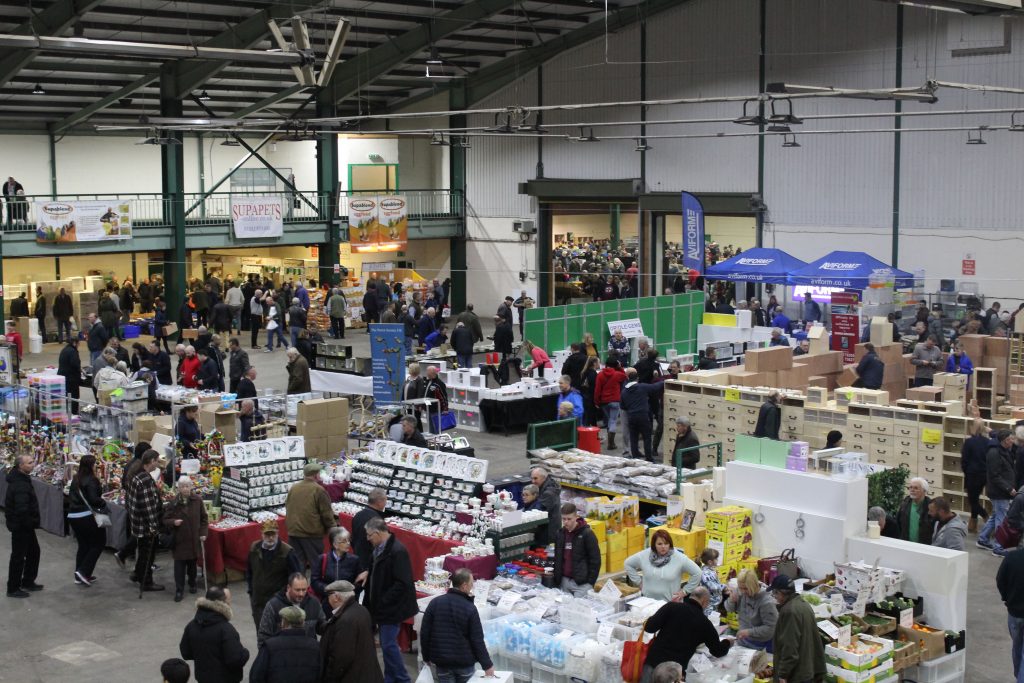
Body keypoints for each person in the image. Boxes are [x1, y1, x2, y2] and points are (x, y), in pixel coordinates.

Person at [363, 517, 418, 683]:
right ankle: (390, 678)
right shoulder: (380, 548)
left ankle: (402, 679)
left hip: (392, 608)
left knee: (388, 645)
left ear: (378, 533)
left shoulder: (397, 551)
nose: (367, 538)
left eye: (369, 535)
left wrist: (382, 600)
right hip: (382, 606)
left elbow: (403, 583)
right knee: (387, 645)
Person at [640, 587, 731, 683]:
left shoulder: (671, 607)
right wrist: (727, 642)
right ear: (704, 601)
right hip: (674, 672)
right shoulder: (704, 623)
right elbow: (717, 651)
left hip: (653, 663)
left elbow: (649, 627)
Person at [420, 568, 494, 683]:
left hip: (442, 662)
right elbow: (477, 640)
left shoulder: (435, 603)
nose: (472, 586)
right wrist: (487, 665)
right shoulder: (469, 608)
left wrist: (426, 657)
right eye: (471, 583)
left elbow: (425, 633)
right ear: (464, 586)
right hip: (464, 663)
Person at [179, 586, 250, 683]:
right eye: (228, 601)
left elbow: (185, 652)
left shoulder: (191, 626)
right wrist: (245, 653)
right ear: (223, 604)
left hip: (202, 678)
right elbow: (235, 660)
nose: (230, 604)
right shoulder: (226, 630)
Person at [319, 580, 384, 683]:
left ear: (336, 597)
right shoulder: (361, 610)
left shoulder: (345, 620)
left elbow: (341, 658)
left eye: (329, 595)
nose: (328, 599)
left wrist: (328, 678)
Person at [246, 519, 302, 628]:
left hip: (278, 601)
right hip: (258, 601)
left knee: (277, 630)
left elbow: (296, 577)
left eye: (273, 534)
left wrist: (286, 597)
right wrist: (251, 591)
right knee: (261, 630)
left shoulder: (287, 552)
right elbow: (249, 571)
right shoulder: (254, 548)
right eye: (267, 534)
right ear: (262, 534)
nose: (270, 538)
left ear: (278, 533)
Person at [770, 574, 826, 683]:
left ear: (781, 593)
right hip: (809, 668)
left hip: (798, 674)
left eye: (774, 593)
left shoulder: (789, 612)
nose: (774, 597)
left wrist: (783, 674)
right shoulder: (804, 604)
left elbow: (790, 647)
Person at [285, 462, 337, 572]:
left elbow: (288, 506)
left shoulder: (294, 487)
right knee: (317, 565)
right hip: (310, 533)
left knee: (298, 566)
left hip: (293, 532)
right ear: (316, 475)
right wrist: (332, 527)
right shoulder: (318, 490)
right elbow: (326, 513)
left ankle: (298, 588)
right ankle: (316, 588)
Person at [163, 476, 209, 602]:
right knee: (179, 567)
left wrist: (203, 533)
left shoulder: (198, 500)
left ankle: (192, 582)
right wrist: (174, 522)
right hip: (179, 540)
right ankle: (179, 589)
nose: (185, 489)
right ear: (178, 488)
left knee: (192, 565)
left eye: (187, 486)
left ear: (191, 487)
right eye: (182, 486)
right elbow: (165, 520)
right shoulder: (173, 503)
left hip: (193, 539)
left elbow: (204, 519)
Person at [623, 528, 701, 601]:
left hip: (670, 604)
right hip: (648, 602)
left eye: (666, 543)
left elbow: (697, 573)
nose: (663, 547)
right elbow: (628, 563)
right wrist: (639, 582)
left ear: (670, 544)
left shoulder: (679, 558)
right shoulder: (645, 555)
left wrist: (685, 591)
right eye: (659, 544)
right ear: (654, 545)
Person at [66, 455, 109, 587]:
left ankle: (79, 574)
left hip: (73, 516)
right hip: (87, 516)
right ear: (91, 465)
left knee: (83, 545)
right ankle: (84, 572)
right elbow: (94, 499)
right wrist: (104, 502)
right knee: (98, 543)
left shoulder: (76, 479)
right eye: (96, 463)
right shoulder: (92, 480)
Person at [125, 450, 164, 591]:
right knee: (148, 554)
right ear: (152, 461)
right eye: (157, 461)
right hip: (145, 525)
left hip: (137, 522)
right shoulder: (145, 480)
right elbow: (148, 506)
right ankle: (146, 581)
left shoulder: (135, 474)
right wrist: (154, 525)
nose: (158, 464)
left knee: (142, 552)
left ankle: (137, 574)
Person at [251, 605, 320, 683]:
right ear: (303, 623)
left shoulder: (270, 646)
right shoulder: (316, 646)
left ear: (284, 622)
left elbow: (256, 676)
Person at [5, 454, 42, 598]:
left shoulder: (21, 479)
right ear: (21, 466)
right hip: (21, 526)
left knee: (33, 552)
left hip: (24, 525)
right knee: (18, 556)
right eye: (29, 463)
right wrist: (29, 523)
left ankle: (27, 581)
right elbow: (22, 509)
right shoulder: (20, 484)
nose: (33, 464)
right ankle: (13, 588)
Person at [257, 572, 325, 647]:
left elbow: (321, 627)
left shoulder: (314, 603)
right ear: (288, 588)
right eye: (297, 590)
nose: (301, 594)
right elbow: (264, 635)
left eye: (304, 590)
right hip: (282, 654)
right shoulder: (273, 605)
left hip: (307, 654)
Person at [980, 429, 1018, 555]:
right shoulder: (994, 453)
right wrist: (1009, 488)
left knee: (996, 515)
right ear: (1003, 441)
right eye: (1009, 440)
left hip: (1001, 491)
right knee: (1001, 520)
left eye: (1012, 439)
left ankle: (983, 539)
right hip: (999, 491)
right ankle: (998, 547)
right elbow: (995, 476)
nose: (1012, 442)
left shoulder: (1003, 449)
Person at [552, 502, 602, 597]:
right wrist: (558, 578)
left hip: (582, 584)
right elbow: (557, 557)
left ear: (576, 517)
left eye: (569, 519)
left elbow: (595, 560)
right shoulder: (560, 534)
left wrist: (590, 583)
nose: (566, 522)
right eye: (564, 519)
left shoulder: (587, 534)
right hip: (564, 581)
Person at [723, 569, 778, 650]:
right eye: (740, 588)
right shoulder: (741, 591)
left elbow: (770, 628)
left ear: (754, 585)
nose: (742, 591)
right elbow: (729, 609)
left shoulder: (766, 602)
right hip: (743, 640)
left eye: (745, 588)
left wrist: (749, 632)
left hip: (759, 644)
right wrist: (731, 600)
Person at [311, 527, 361, 613]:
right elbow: (314, 581)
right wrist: (330, 590)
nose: (348, 543)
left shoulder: (354, 560)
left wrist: (347, 592)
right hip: (328, 603)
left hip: (348, 603)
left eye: (348, 540)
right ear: (335, 544)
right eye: (344, 541)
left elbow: (359, 582)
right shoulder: (322, 559)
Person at [620, 367, 664, 461]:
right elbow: (655, 387)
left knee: (633, 436)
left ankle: (635, 455)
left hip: (631, 416)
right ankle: (648, 457)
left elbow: (623, 406)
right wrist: (664, 381)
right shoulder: (642, 387)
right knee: (646, 437)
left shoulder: (624, 391)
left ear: (628, 378)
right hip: (643, 416)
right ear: (637, 378)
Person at [998, 547, 1024, 683]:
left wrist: (1007, 598)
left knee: (1017, 646)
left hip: (1014, 613)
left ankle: (1017, 675)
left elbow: (1000, 580)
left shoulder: (1012, 557)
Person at [962, 418, 991, 533]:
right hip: (984, 474)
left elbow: (964, 460)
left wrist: (966, 472)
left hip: (972, 474)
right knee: (975, 497)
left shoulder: (969, 442)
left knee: (972, 501)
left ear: (972, 427)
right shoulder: (987, 442)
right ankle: (972, 524)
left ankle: (986, 518)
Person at [595, 357, 627, 451]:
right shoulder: (617, 374)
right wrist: (620, 367)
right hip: (615, 400)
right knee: (613, 421)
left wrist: (596, 401)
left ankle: (611, 442)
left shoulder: (600, 375)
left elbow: (597, 390)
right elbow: (625, 376)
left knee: (609, 420)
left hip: (604, 402)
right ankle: (611, 443)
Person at [352, 488, 387, 573]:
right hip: (370, 563)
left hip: (357, 557)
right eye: (385, 501)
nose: (385, 504)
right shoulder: (377, 521)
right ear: (379, 502)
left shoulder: (358, 515)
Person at [896, 477, 934, 545]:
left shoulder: (930, 507)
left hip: (924, 546)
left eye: (916, 488)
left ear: (924, 491)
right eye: (910, 487)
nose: (912, 490)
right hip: (905, 544)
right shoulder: (905, 504)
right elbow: (898, 523)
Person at [531, 467, 562, 545]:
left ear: (543, 478)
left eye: (535, 478)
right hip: (550, 527)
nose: (533, 481)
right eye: (532, 478)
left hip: (548, 530)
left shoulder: (548, 493)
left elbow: (538, 510)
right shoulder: (549, 485)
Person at [698, 547, 728, 614]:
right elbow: (714, 587)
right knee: (710, 618)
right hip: (709, 604)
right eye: (716, 559)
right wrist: (724, 587)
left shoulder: (710, 570)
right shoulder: (706, 573)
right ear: (710, 562)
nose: (717, 560)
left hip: (713, 603)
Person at [57, 334, 83, 410]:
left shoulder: (64, 350)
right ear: (74, 343)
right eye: (78, 343)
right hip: (71, 379)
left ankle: (68, 412)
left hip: (63, 377)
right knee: (74, 398)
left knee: (66, 397)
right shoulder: (73, 351)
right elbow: (75, 364)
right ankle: (73, 413)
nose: (78, 345)